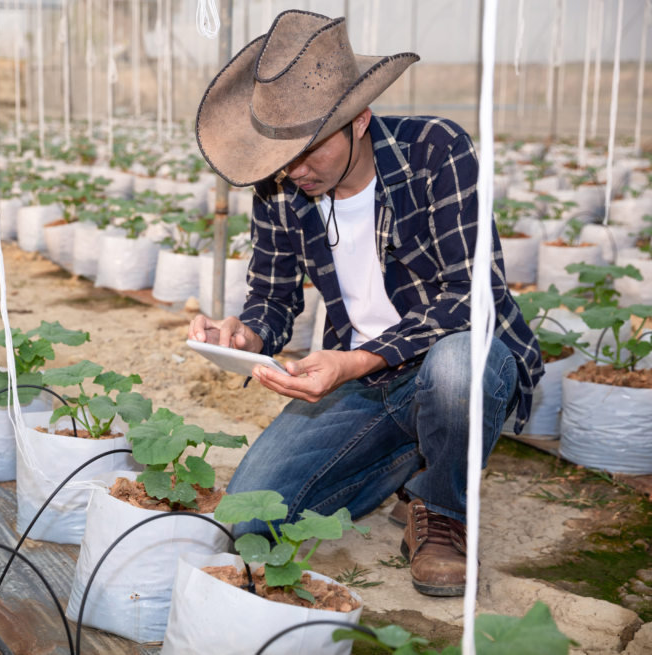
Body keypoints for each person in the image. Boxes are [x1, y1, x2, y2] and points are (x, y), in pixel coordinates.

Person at [188, 11, 542, 597]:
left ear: (359, 120)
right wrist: (245, 336)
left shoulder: (434, 151)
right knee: (252, 519)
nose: (295, 170)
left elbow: (472, 295)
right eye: (282, 155)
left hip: (451, 361)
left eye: (309, 150)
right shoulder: (278, 187)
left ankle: (442, 510)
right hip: (364, 380)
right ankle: (414, 461)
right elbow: (272, 297)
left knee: (458, 366)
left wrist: (356, 360)